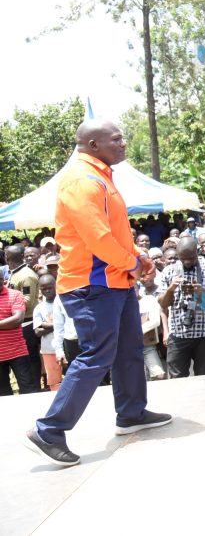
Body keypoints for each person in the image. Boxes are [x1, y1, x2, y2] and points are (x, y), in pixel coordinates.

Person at [26, 119, 165, 467]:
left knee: (130, 348)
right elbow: (98, 239)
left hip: (113, 282)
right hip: (91, 285)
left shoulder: (101, 175)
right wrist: (133, 263)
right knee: (96, 355)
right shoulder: (81, 180)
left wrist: (138, 257)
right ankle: (49, 430)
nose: (123, 144)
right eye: (115, 140)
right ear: (92, 144)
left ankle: (131, 412)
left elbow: (114, 233)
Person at [157, 236, 205, 378]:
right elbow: (163, 304)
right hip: (178, 335)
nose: (187, 262)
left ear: (197, 252)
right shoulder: (169, 271)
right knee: (177, 378)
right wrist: (172, 288)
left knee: (204, 376)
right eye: (183, 258)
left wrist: (201, 292)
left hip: (204, 334)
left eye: (191, 258)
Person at [7, 244, 41, 393]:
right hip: (16, 322)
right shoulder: (16, 273)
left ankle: (33, 389)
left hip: (26, 323)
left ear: (7, 258)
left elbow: (27, 300)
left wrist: (6, 304)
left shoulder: (26, 275)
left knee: (30, 359)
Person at [1, 280, 35, 395]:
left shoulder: (15, 294)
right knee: (3, 392)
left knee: (28, 388)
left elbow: (17, 319)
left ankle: (33, 413)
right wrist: (6, 323)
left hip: (18, 352)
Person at [33, 274, 63, 391]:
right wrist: (59, 324)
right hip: (48, 349)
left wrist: (46, 325)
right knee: (54, 381)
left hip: (66, 347)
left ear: (55, 285)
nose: (47, 290)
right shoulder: (39, 308)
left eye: (50, 287)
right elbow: (38, 331)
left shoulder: (63, 302)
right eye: (43, 288)